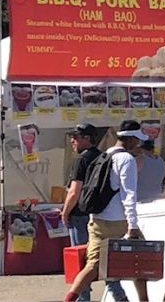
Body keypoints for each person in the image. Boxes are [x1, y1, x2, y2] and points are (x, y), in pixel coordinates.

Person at [65, 120, 149, 302]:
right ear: (131, 140)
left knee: (92, 265)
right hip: (118, 221)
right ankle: (144, 300)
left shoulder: (104, 156)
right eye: (137, 140)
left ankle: (69, 299)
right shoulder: (127, 160)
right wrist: (132, 225)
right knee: (140, 260)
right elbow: (129, 194)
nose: (138, 144)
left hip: (96, 219)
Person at [60, 123, 126, 302]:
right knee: (106, 260)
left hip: (81, 215)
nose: (73, 141)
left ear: (87, 138)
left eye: (76, 137)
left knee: (83, 261)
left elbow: (75, 191)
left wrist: (65, 212)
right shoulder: (104, 157)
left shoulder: (82, 160)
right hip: (101, 214)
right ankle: (118, 296)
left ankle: (84, 298)